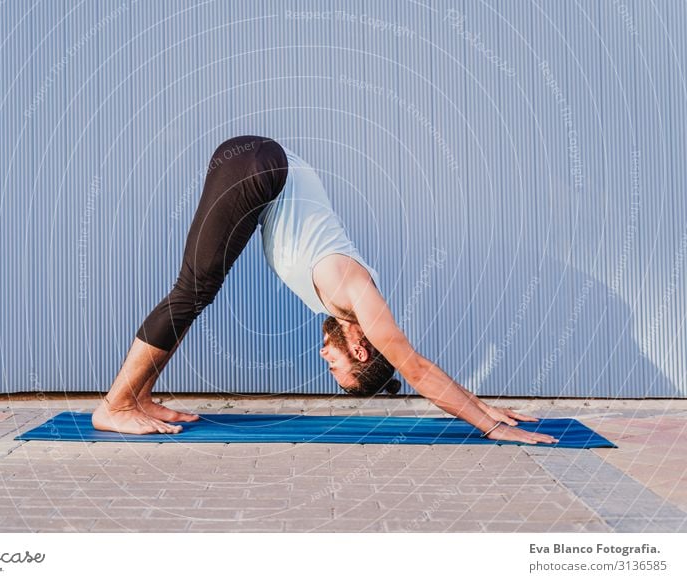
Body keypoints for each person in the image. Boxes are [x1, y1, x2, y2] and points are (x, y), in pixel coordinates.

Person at [91, 135, 558, 445]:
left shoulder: (344, 303)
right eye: (338, 367)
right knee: (193, 289)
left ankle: (138, 398)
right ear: (361, 350)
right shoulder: (360, 297)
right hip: (260, 166)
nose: (323, 358)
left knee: (199, 289)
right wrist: (489, 425)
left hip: (261, 168)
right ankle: (114, 406)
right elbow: (414, 366)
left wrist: (481, 403)